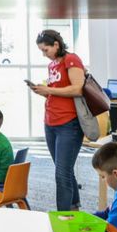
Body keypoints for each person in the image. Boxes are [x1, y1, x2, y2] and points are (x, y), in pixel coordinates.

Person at [29, 29, 85, 211]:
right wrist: (43, 91)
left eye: (46, 50)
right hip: (51, 122)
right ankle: (74, 207)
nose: (44, 55)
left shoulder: (71, 59)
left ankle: (63, 217)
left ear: (56, 44)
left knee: (61, 174)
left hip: (69, 124)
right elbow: (57, 94)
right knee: (64, 170)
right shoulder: (52, 65)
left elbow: (77, 89)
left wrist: (50, 90)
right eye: (41, 51)